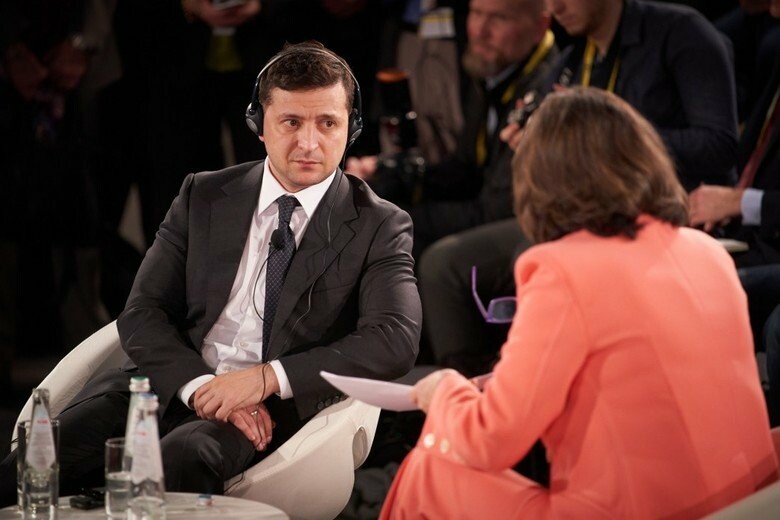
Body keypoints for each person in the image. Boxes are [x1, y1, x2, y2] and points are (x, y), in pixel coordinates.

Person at [0, 41, 422, 503]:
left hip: (266, 409)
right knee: (30, 461)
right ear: (258, 124)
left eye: (327, 123)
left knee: (185, 455)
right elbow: (143, 311)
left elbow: (394, 338)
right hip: (168, 386)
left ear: (352, 128)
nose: (308, 143)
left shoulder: (379, 223)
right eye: (291, 122)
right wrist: (202, 387)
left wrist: (263, 379)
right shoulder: (202, 195)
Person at [379, 88, 777, 519]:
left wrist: (444, 391)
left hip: (638, 511)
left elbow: (490, 440)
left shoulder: (560, 269)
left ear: (539, 181)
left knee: (428, 467)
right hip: (745, 498)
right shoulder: (708, 252)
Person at [422, 0, 741, 375]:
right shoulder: (571, 60)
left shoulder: (682, 32)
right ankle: (469, 388)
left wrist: (605, 137)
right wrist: (535, 144)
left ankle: (526, 384)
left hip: (660, 219)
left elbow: (719, 146)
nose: (555, 7)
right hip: (582, 218)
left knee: (536, 254)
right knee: (444, 264)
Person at [348, 0, 558, 260]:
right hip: (488, 217)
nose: (480, 30)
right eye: (476, 13)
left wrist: (389, 214)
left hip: (524, 237)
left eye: (500, 18)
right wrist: (387, 175)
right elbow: (463, 170)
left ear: (540, 26)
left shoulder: (546, 95)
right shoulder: (498, 70)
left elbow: (493, 212)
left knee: (410, 247)